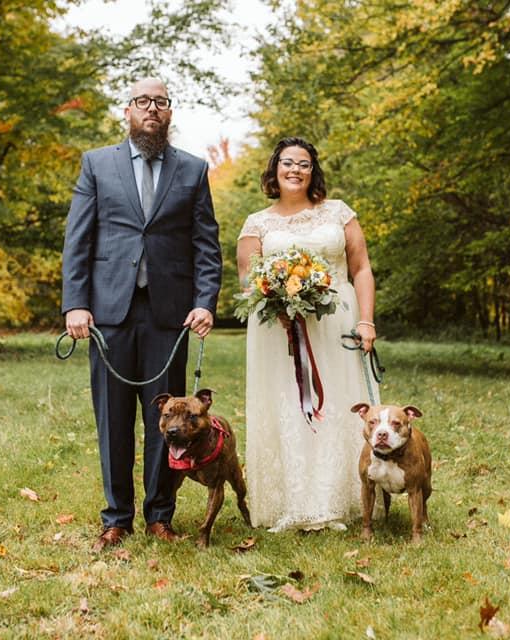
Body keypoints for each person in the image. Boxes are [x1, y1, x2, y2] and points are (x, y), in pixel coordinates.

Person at [62, 78, 221, 552]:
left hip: (170, 316)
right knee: (113, 420)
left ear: (169, 112)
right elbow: (78, 239)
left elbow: (205, 244)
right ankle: (116, 518)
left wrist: (205, 301)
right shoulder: (97, 164)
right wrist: (75, 302)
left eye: (161, 102)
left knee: (168, 421)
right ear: (127, 110)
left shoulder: (193, 169)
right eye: (143, 102)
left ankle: (160, 515)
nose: (152, 109)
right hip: (108, 314)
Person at [236, 137, 378, 532]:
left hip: (337, 323)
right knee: (288, 403)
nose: (295, 170)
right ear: (275, 169)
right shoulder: (257, 223)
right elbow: (248, 281)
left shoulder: (339, 212)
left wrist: (366, 321)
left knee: (338, 404)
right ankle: (294, 502)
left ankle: (339, 500)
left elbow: (361, 268)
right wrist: (277, 304)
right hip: (279, 330)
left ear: (313, 171)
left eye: (304, 163)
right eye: (287, 162)